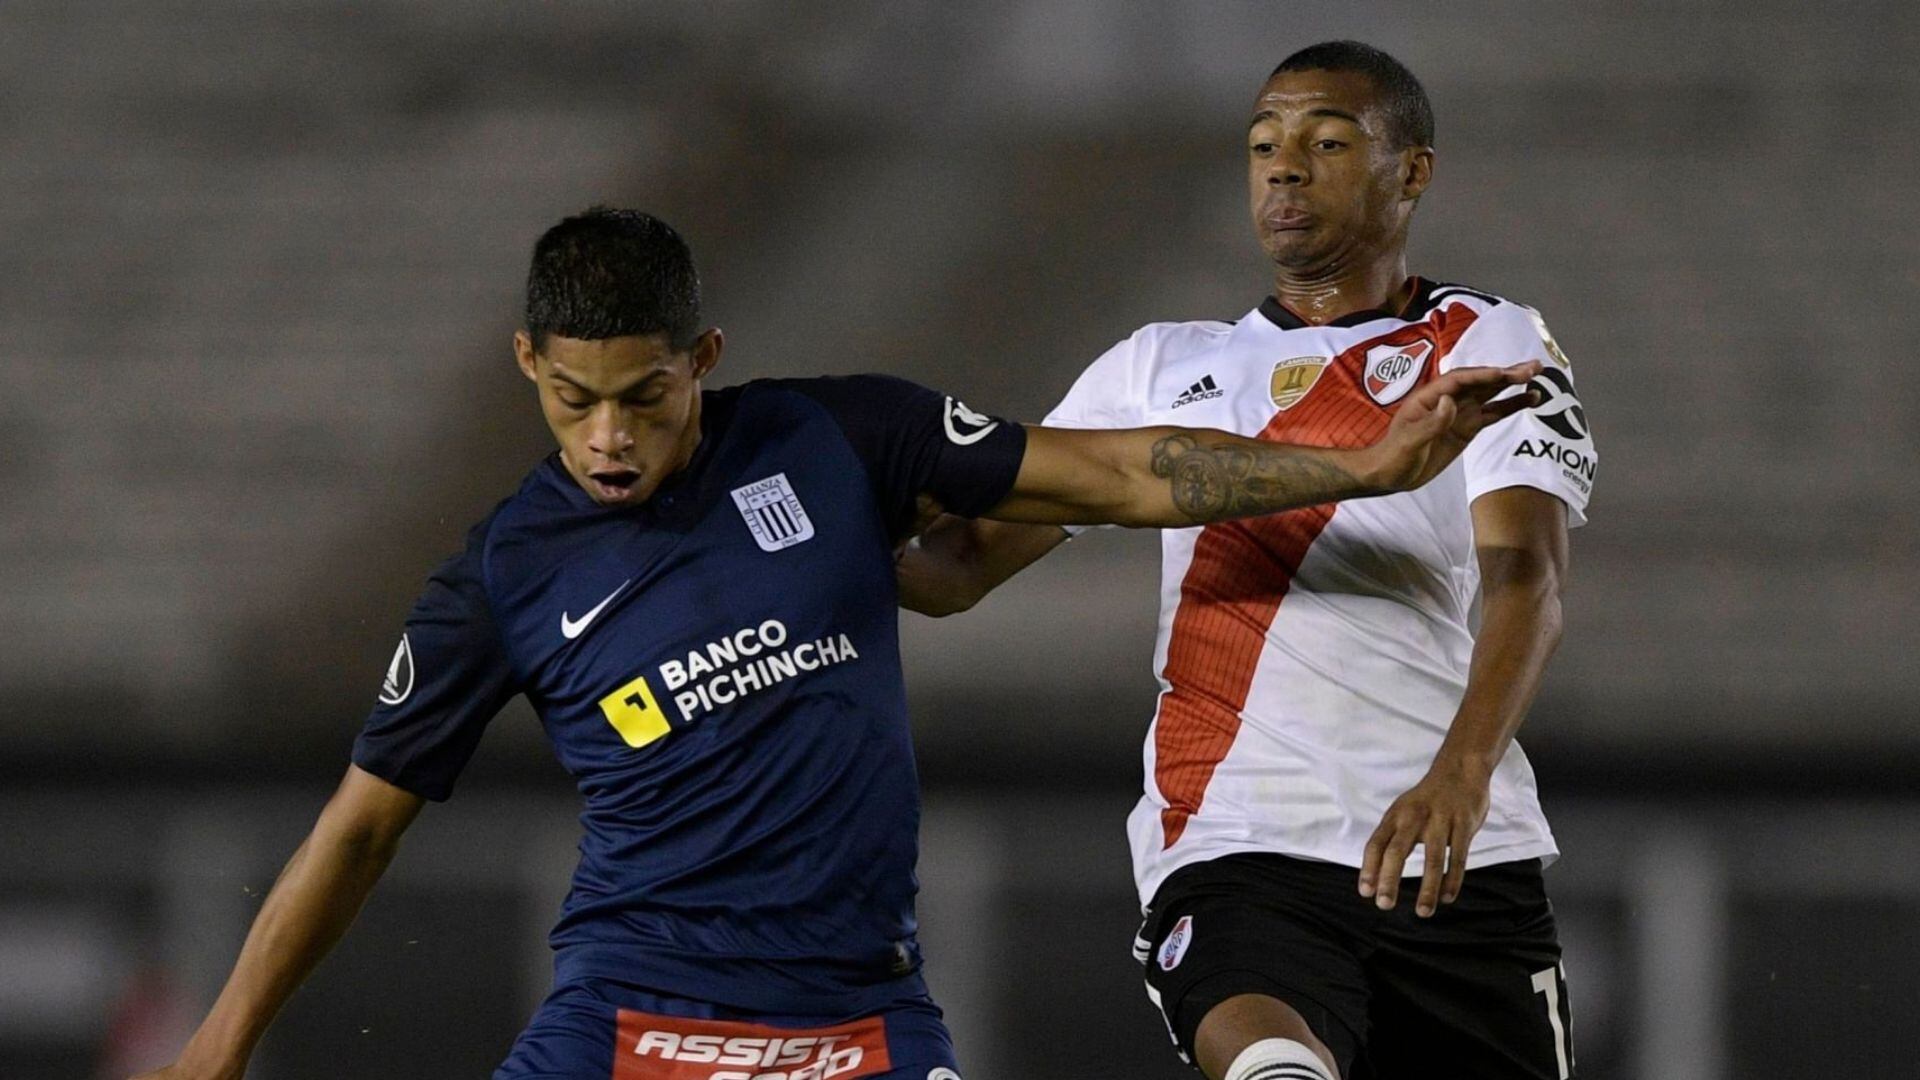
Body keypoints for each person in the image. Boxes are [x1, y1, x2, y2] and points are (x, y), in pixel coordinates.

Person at [132, 207, 1534, 1080]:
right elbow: (359, 829)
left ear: (707, 355)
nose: (609, 437)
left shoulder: (836, 437)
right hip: (628, 1014)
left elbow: (1115, 477)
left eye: (644, 395)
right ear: (526, 368)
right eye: (573, 402)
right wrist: (221, 1042)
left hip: (858, 1023)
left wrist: (1359, 468)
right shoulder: (501, 575)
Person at [897, 41, 1596, 1080]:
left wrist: (1461, 773)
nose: (1283, 168)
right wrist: (805, 551)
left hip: (1451, 851)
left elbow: (1526, 578)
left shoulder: (1479, 340)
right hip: (1236, 834)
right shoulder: (1157, 367)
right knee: (1269, 1059)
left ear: (1412, 172)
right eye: (1264, 144)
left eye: (1325, 142)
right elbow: (961, 568)